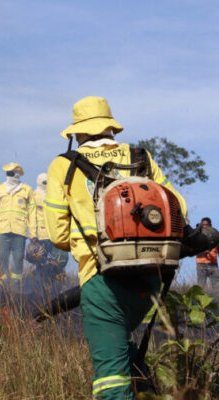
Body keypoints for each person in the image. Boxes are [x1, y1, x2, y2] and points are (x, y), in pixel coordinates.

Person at [44, 96, 187, 399]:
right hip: (151, 278)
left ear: (77, 133)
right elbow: (179, 208)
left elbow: (57, 234)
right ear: (110, 128)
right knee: (124, 351)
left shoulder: (63, 165)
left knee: (110, 380)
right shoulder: (140, 157)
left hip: (101, 282)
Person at [0, 162, 36, 282]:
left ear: (17, 174)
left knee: (18, 258)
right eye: (7, 173)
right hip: (2, 229)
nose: (8, 176)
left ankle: (16, 283)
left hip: (20, 230)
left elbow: (32, 213)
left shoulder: (27, 190)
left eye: (11, 173)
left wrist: (33, 233)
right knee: (2, 257)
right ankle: (2, 282)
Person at [31, 172, 68, 293]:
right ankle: (41, 288)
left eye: (48, 182)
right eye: (44, 182)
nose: (46, 185)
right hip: (41, 236)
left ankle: (52, 280)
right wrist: (33, 234)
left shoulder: (54, 196)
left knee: (61, 259)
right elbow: (31, 216)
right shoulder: (34, 196)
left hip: (54, 234)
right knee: (40, 262)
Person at [196, 217, 219, 291]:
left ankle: (216, 301)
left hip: (213, 264)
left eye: (206, 225)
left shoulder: (216, 237)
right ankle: (200, 302)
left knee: (216, 286)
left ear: (210, 225)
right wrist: (203, 251)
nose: (205, 226)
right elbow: (193, 250)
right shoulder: (197, 236)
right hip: (201, 264)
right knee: (201, 287)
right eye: (203, 225)